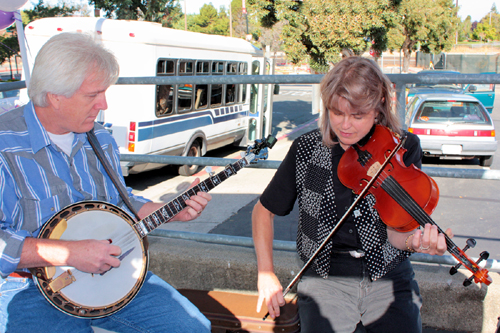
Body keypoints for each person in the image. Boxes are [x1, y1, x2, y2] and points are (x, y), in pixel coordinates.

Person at [0, 33, 212, 332]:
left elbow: (119, 200)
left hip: (110, 272)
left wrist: (171, 209)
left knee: (192, 328)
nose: (104, 104)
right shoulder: (4, 145)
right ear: (54, 95)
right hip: (27, 289)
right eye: (93, 95)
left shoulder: (99, 137)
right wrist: (67, 252)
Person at [252, 56, 453, 333]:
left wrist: (415, 242)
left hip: (388, 274)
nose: (345, 125)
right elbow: (264, 210)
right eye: (337, 113)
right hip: (325, 277)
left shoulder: (402, 146)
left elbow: (397, 234)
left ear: (379, 106)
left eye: (357, 116)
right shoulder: (306, 149)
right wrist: (266, 273)